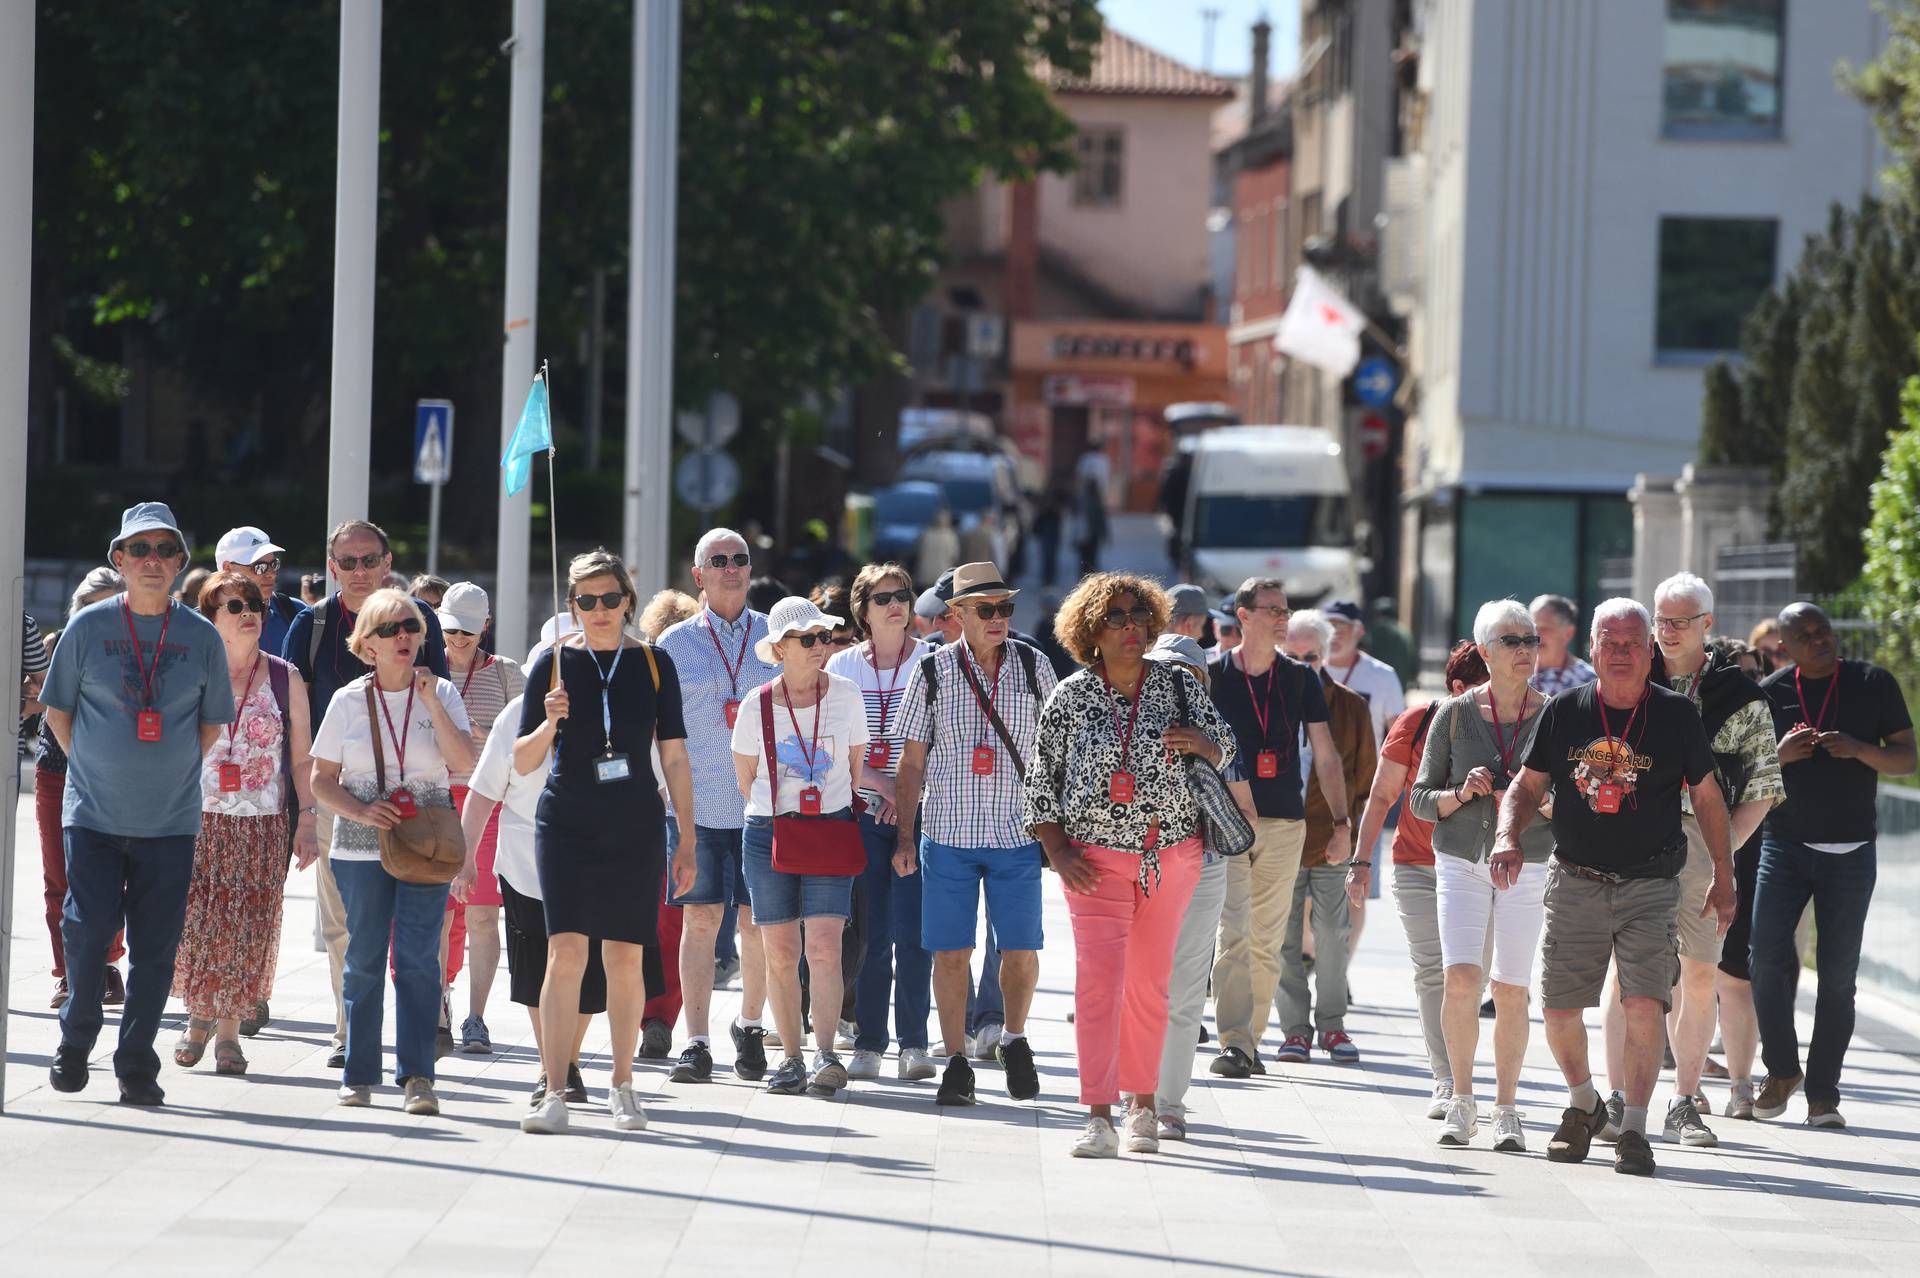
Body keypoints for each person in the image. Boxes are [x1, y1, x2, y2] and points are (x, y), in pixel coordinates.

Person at [1494, 598, 1733, 1178]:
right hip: (1576, 877)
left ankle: (1634, 1128)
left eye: (1632, 643)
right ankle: (1583, 1102)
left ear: (1650, 650)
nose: (1622, 653)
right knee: (1557, 1009)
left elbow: (1706, 798)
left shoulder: (1676, 715)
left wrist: (1725, 876)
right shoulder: (1565, 711)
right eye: (1611, 643)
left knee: (1644, 1002)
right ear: (1592, 650)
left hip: (1652, 882)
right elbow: (1525, 787)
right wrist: (1507, 835)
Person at [1028, 572, 1235, 1157]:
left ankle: (1141, 1105)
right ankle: (1098, 1116)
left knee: (1149, 985)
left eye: (1139, 617)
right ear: (1091, 631)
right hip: (1092, 862)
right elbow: (1042, 782)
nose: (1130, 628)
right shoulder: (1069, 697)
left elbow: (1226, 747)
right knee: (1099, 986)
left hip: (1171, 853)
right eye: (1116, 618)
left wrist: (1200, 742)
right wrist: (1058, 850)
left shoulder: (1176, 685)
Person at [40, 503, 236, 1105]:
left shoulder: (201, 637)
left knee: (155, 950)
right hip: (94, 816)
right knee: (87, 930)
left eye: (165, 550)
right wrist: (96, 772)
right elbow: (58, 712)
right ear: (119, 560)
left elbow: (210, 727)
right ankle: (77, 1038)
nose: (153, 561)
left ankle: (135, 1064)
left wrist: (165, 775)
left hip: (169, 822)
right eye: (140, 549)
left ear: (180, 563)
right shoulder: (88, 628)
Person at [519, 551, 694, 1134]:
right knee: (565, 951)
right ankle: (553, 1090)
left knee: (624, 955)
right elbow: (522, 760)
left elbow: (673, 753)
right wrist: (549, 721)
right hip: (566, 819)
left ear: (628, 601)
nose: (599, 610)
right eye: (586, 601)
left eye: (610, 599)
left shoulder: (653, 663)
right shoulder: (551, 663)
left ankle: (624, 1084)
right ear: (572, 605)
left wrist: (687, 839)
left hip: (635, 822)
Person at [1603, 573, 1779, 1145]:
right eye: (1661, 620)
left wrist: (1721, 856)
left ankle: (1684, 1100)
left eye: (1681, 621)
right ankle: (1615, 1100)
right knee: (1624, 973)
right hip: (1629, 835)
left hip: (1705, 843)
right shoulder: (1628, 679)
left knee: (1702, 972)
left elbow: (1762, 790)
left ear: (1708, 623)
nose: (1668, 632)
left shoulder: (1741, 696)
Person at [284, 519, 449, 1070]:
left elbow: (444, 709)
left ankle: (419, 1043)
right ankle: (350, 1034)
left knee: (418, 942)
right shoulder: (312, 625)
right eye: (347, 562)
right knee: (346, 928)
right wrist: (308, 808)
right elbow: (296, 720)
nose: (359, 571)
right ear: (332, 568)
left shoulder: (419, 620)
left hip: (420, 811)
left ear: (387, 560)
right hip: (342, 799)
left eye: (368, 560)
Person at [893, 561, 1057, 1105]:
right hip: (948, 833)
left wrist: (1056, 827)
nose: (998, 618)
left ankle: (1013, 1039)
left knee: (1020, 949)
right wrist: (904, 836)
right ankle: (957, 1058)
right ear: (956, 615)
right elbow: (911, 763)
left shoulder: (1036, 667)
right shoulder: (932, 672)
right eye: (985, 609)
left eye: (1005, 608)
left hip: (1015, 834)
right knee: (949, 952)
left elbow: (1055, 756)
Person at [309, 589, 475, 1115]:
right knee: (362, 958)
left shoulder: (442, 692)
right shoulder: (347, 700)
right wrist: (360, 811)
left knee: (420, 960)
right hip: (362, 841)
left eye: (409, 626)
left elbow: (464, 762)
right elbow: (321, 781)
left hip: (426, 835)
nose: (402, 636)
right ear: (367, 644)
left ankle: (418, 1077)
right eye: (388, 630)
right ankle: (359, 1073)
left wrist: (429, 702)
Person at [1750, 603, 1915, 1128]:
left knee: (1839, 978)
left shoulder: (1872, 682)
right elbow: (1743, 769)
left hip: (1851, 852)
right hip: (1785, 846)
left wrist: (1862, 749)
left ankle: (1823, 1094)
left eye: (1825, 631)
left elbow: (1907, 757)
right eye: (1806, 635)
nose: (1821, 640)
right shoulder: (1773, 691)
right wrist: (1782, 754)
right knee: (1764, 959)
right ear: (1787, 645)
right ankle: (1781, 1069)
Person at [1408, 601, 1553, 1151]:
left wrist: (1539, 802)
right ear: (1486, 652)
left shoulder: (1555, 714)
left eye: (1531, 640)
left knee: (1511, 987)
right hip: (1462, 860)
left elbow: (1572, 798)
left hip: (1528, 860)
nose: (1525, 650)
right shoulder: (1454, 713)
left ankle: (1507, 1109)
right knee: (1463, 978)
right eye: (1512, 641)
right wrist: (1462, 794)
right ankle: (1462, 1100)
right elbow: (1420, 800)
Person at [170, 571, 320, 1076]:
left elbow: (302, 760)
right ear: (211, 619)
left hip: (263, 822)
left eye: (253, 602)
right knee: (199, 922)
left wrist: (309, 818)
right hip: (197, 820)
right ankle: (196, 1020)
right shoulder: (193, 671)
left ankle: (229, 1032)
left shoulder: (285, 676)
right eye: (235, 606)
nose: (249, 612)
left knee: (248, 924)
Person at [1205, 578, 1349, 1079]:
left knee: (1266, 939)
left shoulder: (1300, 678)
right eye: (1273, 610)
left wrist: (1340, 823)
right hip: (1226, 819)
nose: (1283, 618)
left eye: (1286, 610)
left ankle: (1249, 1041)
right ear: (1243, 617)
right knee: (1234, 932)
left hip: (1285, 820)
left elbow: (1326, 756)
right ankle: (1233, 1041)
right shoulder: (1213, 673)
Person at [729, 596, 870, 1097]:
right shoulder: (757, 703)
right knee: (781, 950)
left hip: (829, 826)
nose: (820, 646)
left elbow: (855, 766)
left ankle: (826, 1054)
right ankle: (790, 1057)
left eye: (824, 637)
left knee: (826, 946)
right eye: (808, 639)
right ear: (781, 648)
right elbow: (746, 780)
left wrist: (817, 803)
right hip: (769, 830)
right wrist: (785, 809)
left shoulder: (847, 694)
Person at [656, 529, 779, 1084]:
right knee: (700, 922)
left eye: (740, 559)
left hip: (762, 805)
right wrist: (661, 791)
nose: (732, 568)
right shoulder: (674, 644)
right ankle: (697, 1040)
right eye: (719, 561)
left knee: (757, 925)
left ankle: (750, 1025)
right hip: (696, 805)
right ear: (698, 574)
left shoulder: (775, 638)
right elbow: (655, 730)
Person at [1350, 641, 1490, 1121]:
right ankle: (1447, 1079)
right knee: (1436, 972)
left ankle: (1462, 1074)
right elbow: (1382, 794)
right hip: (1418, 865)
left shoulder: (1516, 726)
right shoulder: (1416, 723)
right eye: (1483, 686)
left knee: (1473, 977)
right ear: (1458, 689)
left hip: (1486, 868)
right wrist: (1361, 862)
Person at [461, 695, 601, 1106]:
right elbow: (484, 790)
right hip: (526, 863)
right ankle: (550, 1065)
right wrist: (466, 858)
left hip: (593, 862)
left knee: (586, 972)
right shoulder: (518, 713)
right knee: (536, 969)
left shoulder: (607, 705)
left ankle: (569, 1060)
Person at [826, 564, 935, 1082]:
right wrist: (882, 784)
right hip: (864, 811)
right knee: (870, 931)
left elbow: (946, 740)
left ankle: (914, 1043)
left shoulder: (934, 662)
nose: (896, 604)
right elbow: (831, 740)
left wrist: (907, 794)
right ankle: (869, 1041)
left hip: (925, 810)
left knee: (915, 930)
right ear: (863, 611)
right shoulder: (843, 665)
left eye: (903, 595)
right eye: (883, 597)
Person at [1147, 634, 1252, 1141]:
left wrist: (1207, 753)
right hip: (1141, 866)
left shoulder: (1215, 728)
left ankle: (1168, 1103)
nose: (1176, 683)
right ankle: (1135, 1092)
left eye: (1188, 675)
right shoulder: (1128, 718)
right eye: (1165, 671)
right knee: (1142, 984)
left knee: (1186, 990)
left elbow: (1241, 808)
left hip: (1204, 864)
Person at [1273, 610, 1376, 1065]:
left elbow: (1366, 781)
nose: (1301, 663)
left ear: (1326, 654)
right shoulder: (1268, 697)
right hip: (1276, 838)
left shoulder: (1351, 706)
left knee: (1333, 935)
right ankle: (1295, 1030)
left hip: (1331, 840)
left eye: (1310, 656)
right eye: (1290, 655)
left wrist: (1349, 834)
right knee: (1282, 939)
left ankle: (1332, 1026)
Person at [438, 582, 527, 1055]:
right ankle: (439, 1004)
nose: (457, 640)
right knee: (437, 913)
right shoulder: (425, 669)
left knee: (481, 914)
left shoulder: (508, 673)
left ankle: (476, 1016)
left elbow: (528, 738)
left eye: (468, 632)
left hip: (487, 801)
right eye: (450, 629)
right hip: (435, 800)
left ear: (485, 628)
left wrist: (478, 733)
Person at [34, 567, 129, 1010]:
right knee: (59, 877)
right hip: (56, 770)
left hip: (114, 777)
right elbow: (42, 706)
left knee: (108, 879)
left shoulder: (136, 654)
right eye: (90, 608)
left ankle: (106, 967)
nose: (98, 617)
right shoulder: (57, 647)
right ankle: (70, 973)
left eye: (109, 606)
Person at [636, 589, 703, 1060]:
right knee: (646, 923)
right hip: (637, 809)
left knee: (675, 923)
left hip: (687, 812)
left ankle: (660, 1017)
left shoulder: (699, 680)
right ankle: (645, 1014)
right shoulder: (637, 675)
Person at [1713, 638, 1774, 1116]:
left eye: (1755, 674)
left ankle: (1740, 1086)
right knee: (1683, 980)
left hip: (1747, 858)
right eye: (1739, 673)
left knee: (1736, 976)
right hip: (1682, 860)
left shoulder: (1763, 719)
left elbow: (1769, 788)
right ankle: (1687, 1091)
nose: (1749, 683)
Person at [1320, 599, 1405, 746]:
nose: (1333, 633)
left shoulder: (1384, 675)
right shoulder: (1307, 670)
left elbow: (1399, 736)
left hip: (1365, 768)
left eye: (1341, 626)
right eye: (1327, 625)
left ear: (1359, 631)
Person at [215, 526, 302, 658]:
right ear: (227, 569)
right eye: (259, 567)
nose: (272, 574)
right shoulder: (199, 623)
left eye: (274, 564)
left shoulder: (296, 612)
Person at [1529, 594, 1595, 697]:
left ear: (1568, 633)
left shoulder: (1589, 681)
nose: (1536, 635)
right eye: (1532, 628)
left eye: (1545, 629)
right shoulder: (1518, 675)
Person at [917, 509, 961, 591]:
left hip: (926, 574)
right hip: (942, 573)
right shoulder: (950, 536)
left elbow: (918, 552)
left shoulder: (926, 533)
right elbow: (954, 556)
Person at [1032, 489, 1064, 588]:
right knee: (1048, 557)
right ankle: (1047, 579)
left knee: (1049, 557)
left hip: (1050, 536)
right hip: (1047, 536)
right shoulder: (1046, 511)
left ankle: (1049, 579)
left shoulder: (1052, 511)